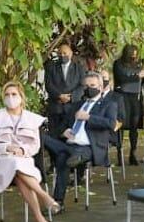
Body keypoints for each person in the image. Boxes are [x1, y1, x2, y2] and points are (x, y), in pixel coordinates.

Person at [0, 82, 61, 222]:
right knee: (14, 164)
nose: (10, 98)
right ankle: (45, 197)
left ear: (21, 98)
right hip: (0, 161)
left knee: (18, 171)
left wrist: (22, 150)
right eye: (7, 95)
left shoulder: (32, 119)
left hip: (23, 161)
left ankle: (40, 219)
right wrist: (8, 148)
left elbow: (35, 146)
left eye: (14, 94)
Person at [42, 72, 117, 208]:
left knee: (63, 160)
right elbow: (61, 126)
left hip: (89, 146)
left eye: (92, 85)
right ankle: (71, 157)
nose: (89, 88)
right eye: (86, 86)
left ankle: (57, 202)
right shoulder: (77, 105)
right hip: (70, 143)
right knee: (42, 137)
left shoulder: (108, 104)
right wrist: (63, 132)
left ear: (100, 87)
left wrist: (88, 117)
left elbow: (111, 124)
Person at [113, 45, 144, 165]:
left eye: (135, 55)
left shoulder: (139, 64)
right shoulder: (118, 64)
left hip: (135, 97)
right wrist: (137, 76)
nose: (134, 57)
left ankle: (133, 153)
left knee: (134, 126)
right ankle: (120, 154)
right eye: (131, 55)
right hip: (122, 96)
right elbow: (122, 78)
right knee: (121, 125)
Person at [43, 41, 86, 134]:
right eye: (60, 53)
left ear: (70, 54)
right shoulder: (51, 67)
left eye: (64, 53)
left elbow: (82, 86)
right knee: (54, 136)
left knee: (71, 136)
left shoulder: (79, 68)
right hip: (55, 107)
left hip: (73, 107)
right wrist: (59, 96)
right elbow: (48, 85)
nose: (62, 55)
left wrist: (71, 97)